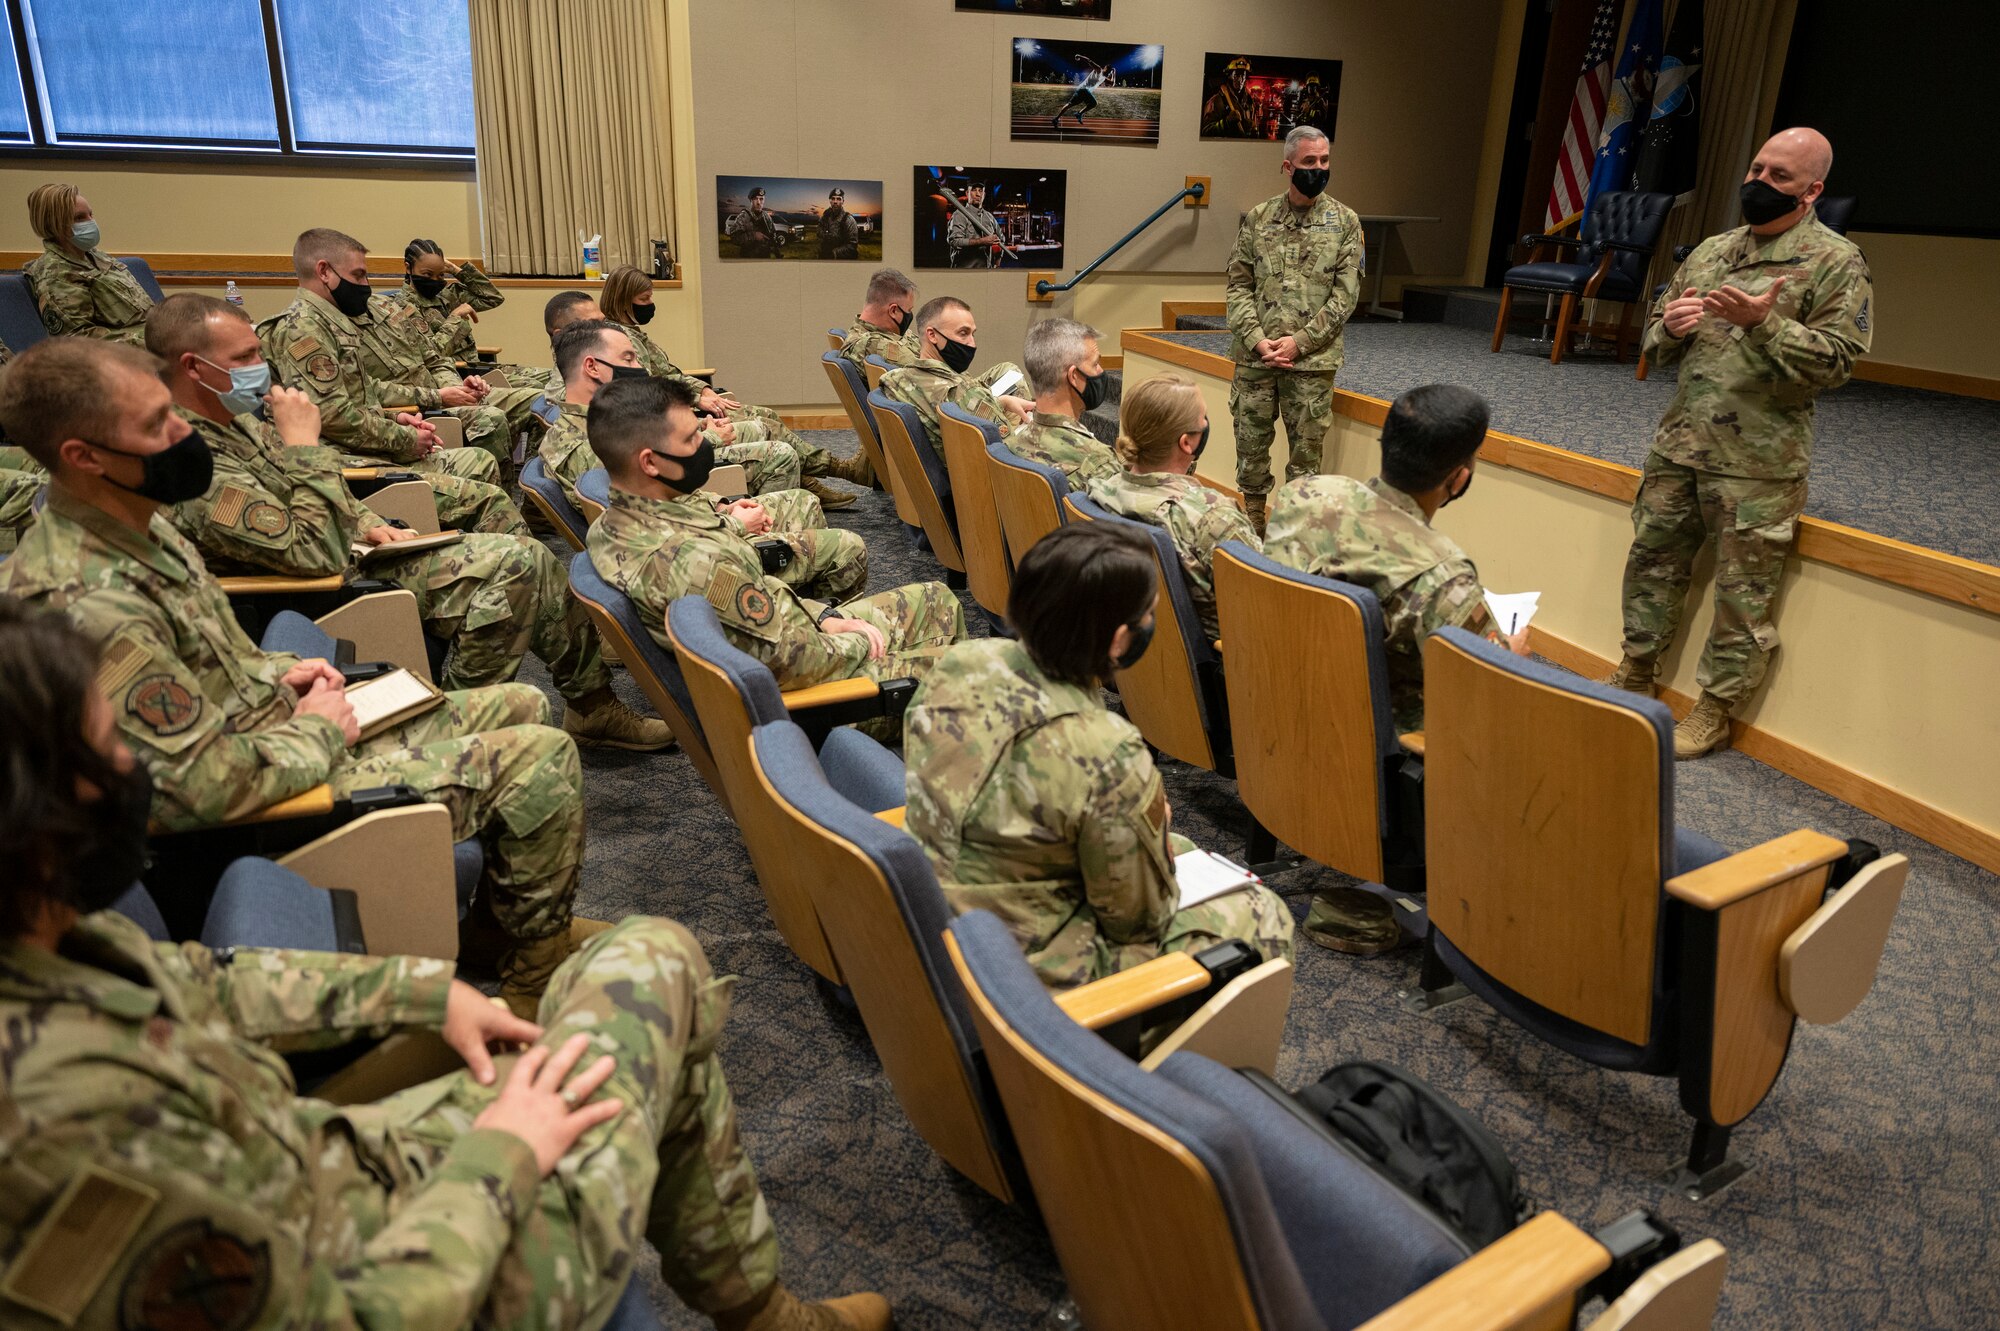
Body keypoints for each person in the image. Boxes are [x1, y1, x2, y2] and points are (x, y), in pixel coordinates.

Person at [0, 596, 893, 1331]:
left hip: (329, 1167)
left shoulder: (46, 937)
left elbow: (205, 982)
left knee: (635, 982)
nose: (135, 769)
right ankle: (763, 1311)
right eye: (111, 751)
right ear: (37, 820)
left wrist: (428, 992)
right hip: (418, 1258)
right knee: (656, 963)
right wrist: (506, 1150)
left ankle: (762, 1309)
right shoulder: (58, 1116)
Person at [0, 337, 597, 1011]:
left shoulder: (135, 522)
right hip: (249, 810)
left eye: (172, 412)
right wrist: (316, 733)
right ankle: (532, 985)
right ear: (83, 457)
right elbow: (190, 790)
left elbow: (211, 655)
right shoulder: (87, 601)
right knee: (539, 759)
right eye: (154, 426)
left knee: (519, 703)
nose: (180, 433)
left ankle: (497, 928)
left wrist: (280, 671)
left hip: (269, 733)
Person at [146, 294, 670, 750]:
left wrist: (369, 522)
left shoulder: (234, 422)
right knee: (515, 564)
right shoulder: (188, 458)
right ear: (193, 368)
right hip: (309, 585)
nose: (263, 365)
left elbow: (309, 495)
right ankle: (469, 725)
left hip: (349, 548)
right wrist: (303, 446)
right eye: (246, 357)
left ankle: (589, 704)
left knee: (525, 557)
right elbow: (306, 551)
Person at [903, 522, 1295, 989]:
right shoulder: (1108, 750)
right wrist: (1148, 823)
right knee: (1263, 917)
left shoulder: (960, 662)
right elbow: (1137, 922)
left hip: (934, 915)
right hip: (1018, 969)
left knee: (1173, 847)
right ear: (1117, 641)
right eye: (1147, 617)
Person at [1610, 127, 1871, 760]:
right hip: (1680, 444)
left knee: (1740, 594)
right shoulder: (1711, 251)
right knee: (1652, 565)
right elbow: (1655, 339)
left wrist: (1767, 325)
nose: (1759, 182)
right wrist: (1667, 327)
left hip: (1758, 462)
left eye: (1780, 176)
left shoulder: (1836, 261)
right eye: (1757, 167)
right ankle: (1635, 675)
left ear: (1812, 191)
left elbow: (1838, 364)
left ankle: (1714, 710)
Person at [1263, 384, 1527, 956]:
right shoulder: (1443, 579)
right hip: (1380, 761)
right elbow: (1490, 696)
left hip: (1278, 712)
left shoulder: (1303, 496)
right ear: (1460, 475)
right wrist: (1517, 658)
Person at [585, 375, 965, 704]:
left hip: (790, 642)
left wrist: (825, 616)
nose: (706, 443)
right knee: (980, 670)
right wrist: (866, 642)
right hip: (802, 701)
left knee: (937, 600)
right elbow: (790, 661)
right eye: (692, 438)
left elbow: (761, 604)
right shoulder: (695, 564)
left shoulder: (613, 524)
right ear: (650, 462)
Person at [545, 321, 859, 599]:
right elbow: (655, 534)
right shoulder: (588, 448)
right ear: (592, 366)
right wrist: (734, 523)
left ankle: (795, 605)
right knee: (848, 548)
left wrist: (722, 505)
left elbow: (662, 503)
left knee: (804, 501)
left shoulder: (603, 422)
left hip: (699, 524)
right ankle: (785, 616)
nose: (638, 366)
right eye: (628, 358)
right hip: (700, 559)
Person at [259, 228, 523, 535]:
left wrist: (400, 419)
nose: (365, 286)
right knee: (492, 502)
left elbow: (363, 395)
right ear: (324, 272)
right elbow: (332, 417)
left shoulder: (333, 322)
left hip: (377, 443)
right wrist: (404, 437)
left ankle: (482, 553)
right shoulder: (303, 329)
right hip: (349, 468)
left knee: (479, 461)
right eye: (358, 276)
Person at [600, 265, 870, 506]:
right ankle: (839, 469)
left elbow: (670, 373)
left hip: (685, 406)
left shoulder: (632, 333)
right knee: (767, 426)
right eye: (644, 299)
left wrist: (702, 390)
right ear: (623, 299)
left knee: (768, 415)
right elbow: (649, 389)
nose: (650, 305)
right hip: (678, 419)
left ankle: (807, 481)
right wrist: (696, 401)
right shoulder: (620, 341)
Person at [1224, 125, 1363, 534]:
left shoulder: (1346, 223)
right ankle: (1253, 523)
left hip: (1311, 363)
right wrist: (1257, 340)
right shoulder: (1258, 218)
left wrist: (1299, 343)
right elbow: (1237, 286)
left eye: (1324, 161)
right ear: (1288, 166)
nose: (1318, 168)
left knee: (1305, 458)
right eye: (1309, 162)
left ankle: (1293, 534)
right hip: (1256, 358)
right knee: (1250, 447)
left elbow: (1346, 296)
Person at [1086, 374, 1257, 641]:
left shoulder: (1099, 491)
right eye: (1203, 419)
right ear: (1187, 442)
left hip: (1131, 652)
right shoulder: (1214, 518)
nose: (1206, 425)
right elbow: (1264, 608)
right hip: (1216, 669)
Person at [354, 284, 554, 468]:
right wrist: (439, 396)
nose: (363, 283)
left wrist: (458, 389)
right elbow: (366, 390)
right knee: (491, 418)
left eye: (364, 274)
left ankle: (534, 502)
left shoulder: (387, 307)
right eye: (356, 275)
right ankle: (505, 495)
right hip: (414, 410)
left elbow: (435, 359)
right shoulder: (335, 331)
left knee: (543, 402)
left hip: (450, 391)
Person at [878, 296, 1034, 454]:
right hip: (973, 475)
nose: (972, 343)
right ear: (932, 335)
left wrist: (1000, 402)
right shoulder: (964, 393)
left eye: (973, 334)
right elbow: (1014, 455)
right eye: (963, 333)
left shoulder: (894, 378)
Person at [22, 183, 155, 345]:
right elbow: (78, 341)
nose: (91, 222)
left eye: (90, 215)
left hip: (152, 337)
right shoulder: (56, 274)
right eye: (79, 218)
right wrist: (154, 343)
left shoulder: (94, 256)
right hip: (125, 357)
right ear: (55, 224)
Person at [1004, 317, 1122, 490]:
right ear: (1073, 376)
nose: (1101, 371)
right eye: (1095, 363)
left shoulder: (1011, 445)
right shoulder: (1098, 463)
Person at [839, 267, 924, 372]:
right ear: (893, 311)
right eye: (909, 310)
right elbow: (928, 374)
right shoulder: (874, 345)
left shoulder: (867, 330)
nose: (909, 314)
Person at [946, 182, 1006, 269]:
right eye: (974, 190)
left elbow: (1001, 240)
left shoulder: (989, 217)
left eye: (980, 191)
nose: (978, 194)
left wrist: (997, 263)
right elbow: (955, 242)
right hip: (964, 272)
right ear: (967, 193)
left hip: (986, 272)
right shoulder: (959, 215)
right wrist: (982, 241)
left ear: (984, 194)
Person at [1201, 56, 1257, 138]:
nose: (1240, 79)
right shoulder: (1217, 100)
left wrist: (1251, 128)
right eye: (1236, 75)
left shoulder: (1249, 101)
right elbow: (1205, 131)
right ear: (1230, 76)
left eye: (1243, 75)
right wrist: (1226, 122)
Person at [1050, 53, 1109, 131]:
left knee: (1070, 104)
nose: (1108, 72)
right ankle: (1079, 113)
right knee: (1093, 103)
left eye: (1110, 72)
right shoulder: (1099, 69)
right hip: (1084, 89)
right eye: (1108, 70)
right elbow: (1089, 60)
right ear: (1105, 68)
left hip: (1082, 90)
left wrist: (1114, 73)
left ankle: (1056, 119)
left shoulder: (1104, 78)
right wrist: (1079, 56)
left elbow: (1112, 83)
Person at [727, 187, 782, 257]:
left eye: (761, 199)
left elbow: (772, 233)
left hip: (765, 257)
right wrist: (754, 236)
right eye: (755, 199)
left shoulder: (766, 216)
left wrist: (775, 242)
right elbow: (734, 238)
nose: (759, 202)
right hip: (748, 258)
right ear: (751, 200)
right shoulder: (743, 216)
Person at [818, 187, 860, 259]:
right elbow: (819, 232)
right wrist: (826, 236)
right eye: (833, 198)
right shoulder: (825, 217)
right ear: (830, 201)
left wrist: (834, 253)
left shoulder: (849, 220)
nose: (835, 201)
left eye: (838, 199)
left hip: (842, 259)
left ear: (843, 201)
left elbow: (852, 246)